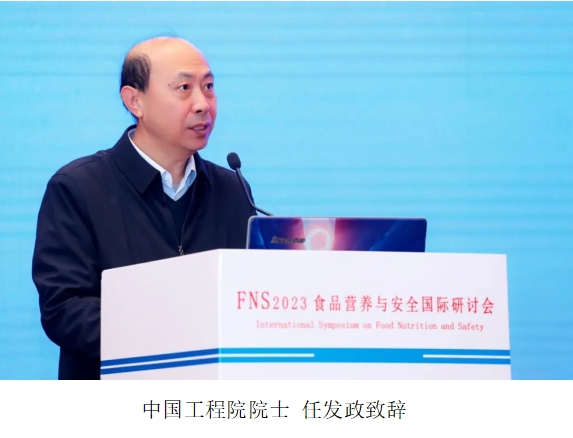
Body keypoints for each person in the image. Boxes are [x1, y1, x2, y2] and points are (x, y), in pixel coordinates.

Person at [31, 36, 257, 380]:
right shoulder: (78, 188)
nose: (202, 104)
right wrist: (174, 336)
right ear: (135, 101)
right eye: (184, 88)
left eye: (209, 87)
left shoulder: (232, 189)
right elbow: (65, 310)